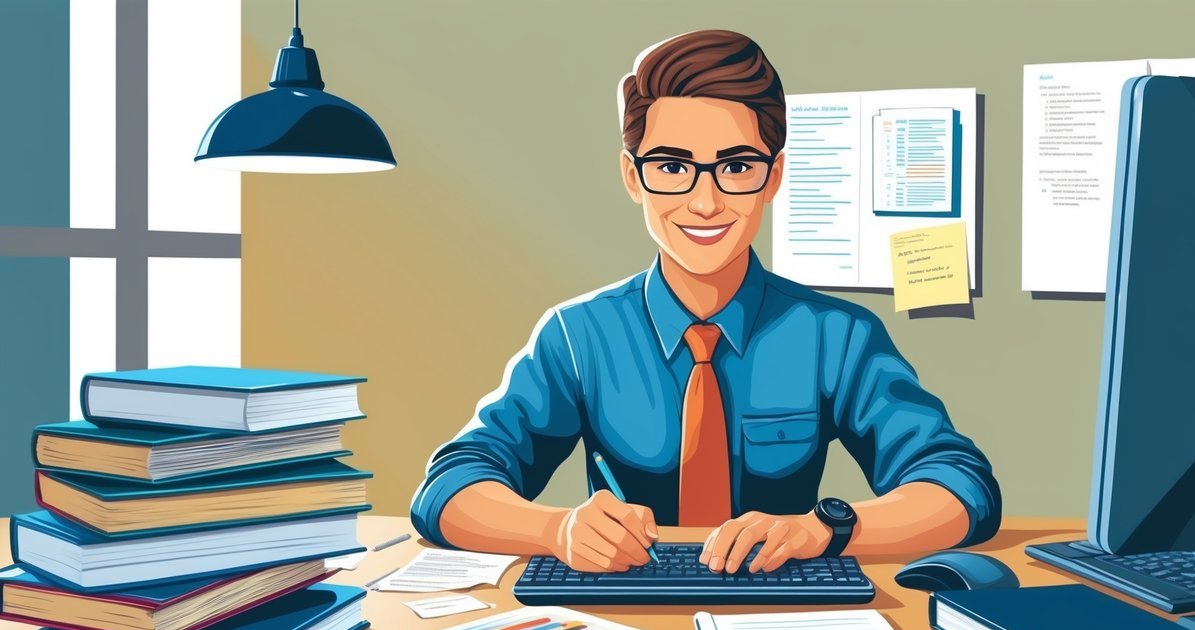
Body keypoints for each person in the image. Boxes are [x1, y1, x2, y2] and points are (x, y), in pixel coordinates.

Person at [410, 29, 1000, 575]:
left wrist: (824, 529)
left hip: (783, 609)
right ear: (632, 176)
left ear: (774, 177)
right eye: (672, 166)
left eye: (737, 167)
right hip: (629, 613)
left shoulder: (837, 334)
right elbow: (449, 488)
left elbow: (959, 486)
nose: (705, 202)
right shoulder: (577, 334)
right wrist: (555, 529)